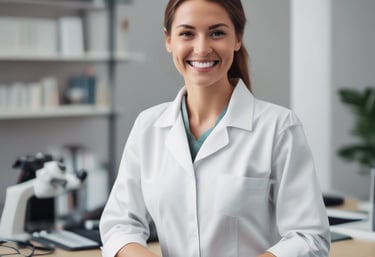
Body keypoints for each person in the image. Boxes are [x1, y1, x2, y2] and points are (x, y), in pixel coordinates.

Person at [99, 0, 331, 256]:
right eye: (187, 33)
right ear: (168, 40)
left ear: (238, 38)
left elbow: (309, 237)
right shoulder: (148, 126)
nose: (201, 48)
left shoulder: (278, 127)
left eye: (217, 33)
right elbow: (120, 224)